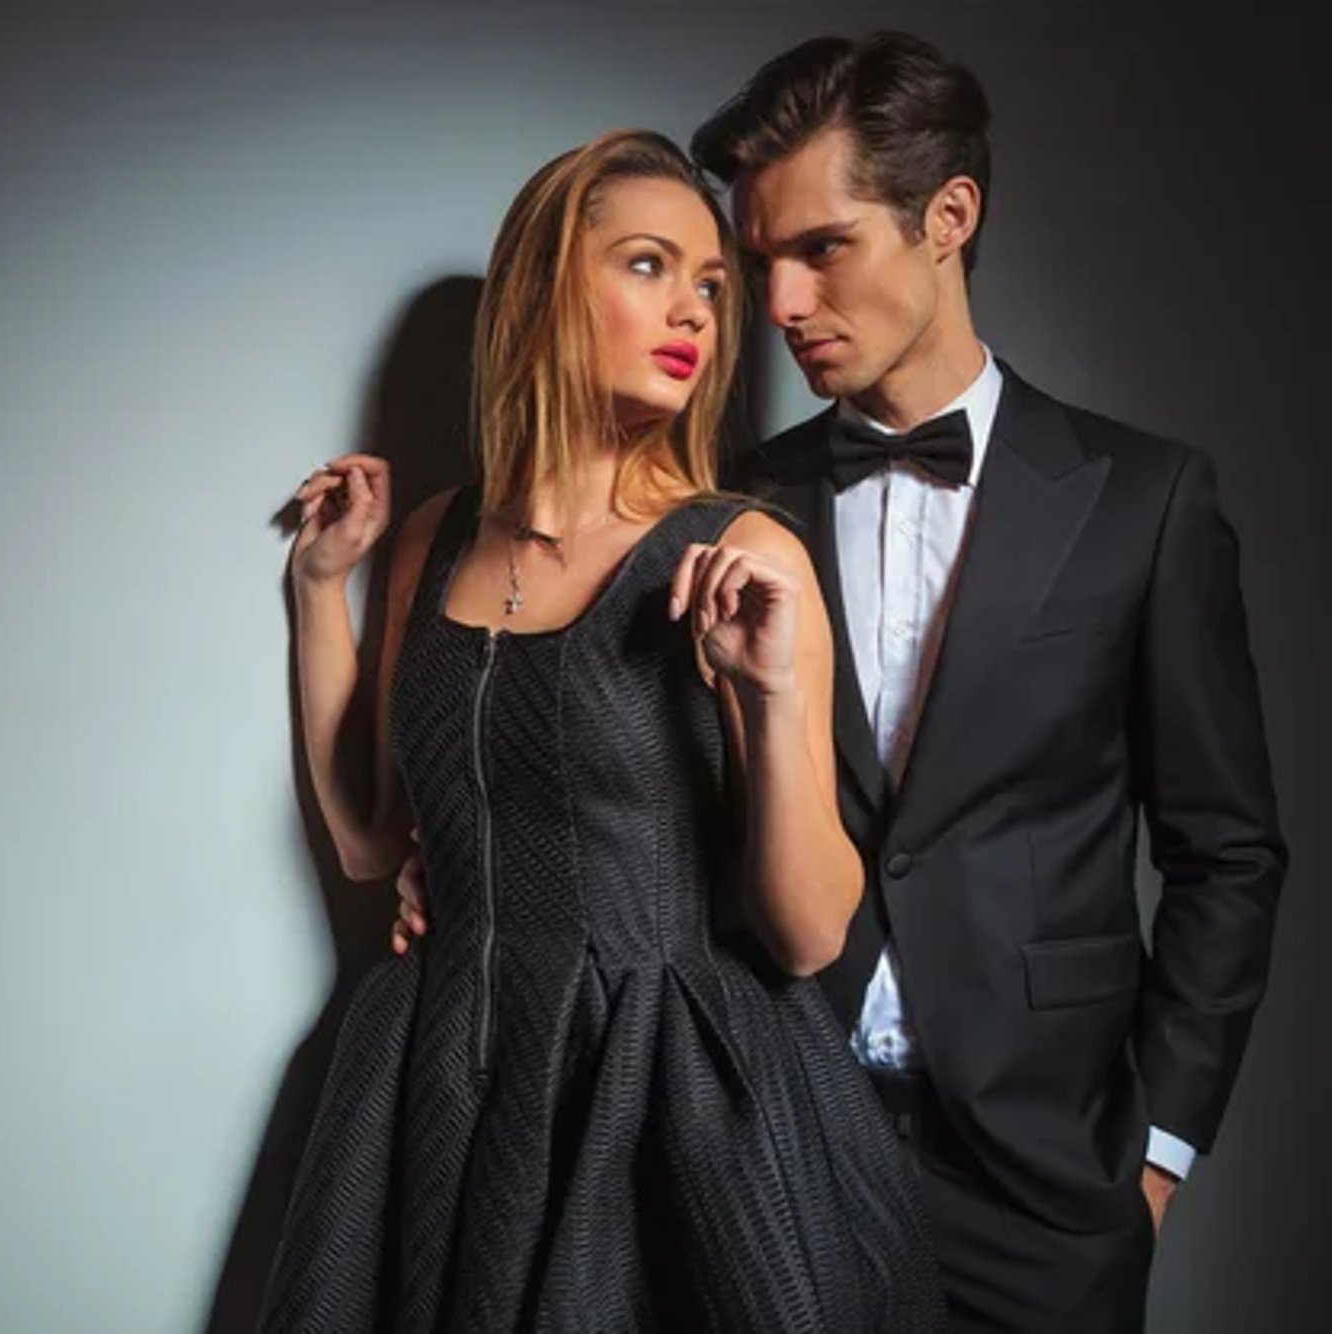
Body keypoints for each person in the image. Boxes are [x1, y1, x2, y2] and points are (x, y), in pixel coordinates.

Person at [401, 34, 1288, 1331]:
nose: (775, 303)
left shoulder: (1144, 502)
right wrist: (464, 850)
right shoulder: (716, 511)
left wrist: (1152, 1157)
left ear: (949, 218)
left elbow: (1228, 852)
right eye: (756, 263)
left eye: (822, 248)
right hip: (767, 1135)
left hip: (1045, 1171)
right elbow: (618, 777)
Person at [262, 128, 944, 1332]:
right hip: (442, 1075)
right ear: (543, 291)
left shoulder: (740, 549)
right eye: (646, 265)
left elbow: (808, 929)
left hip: (659, 1088)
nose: (692, 309)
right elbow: (374, 844)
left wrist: (775, 691)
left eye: (709, 285)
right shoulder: (430, 538)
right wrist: (322, 591)